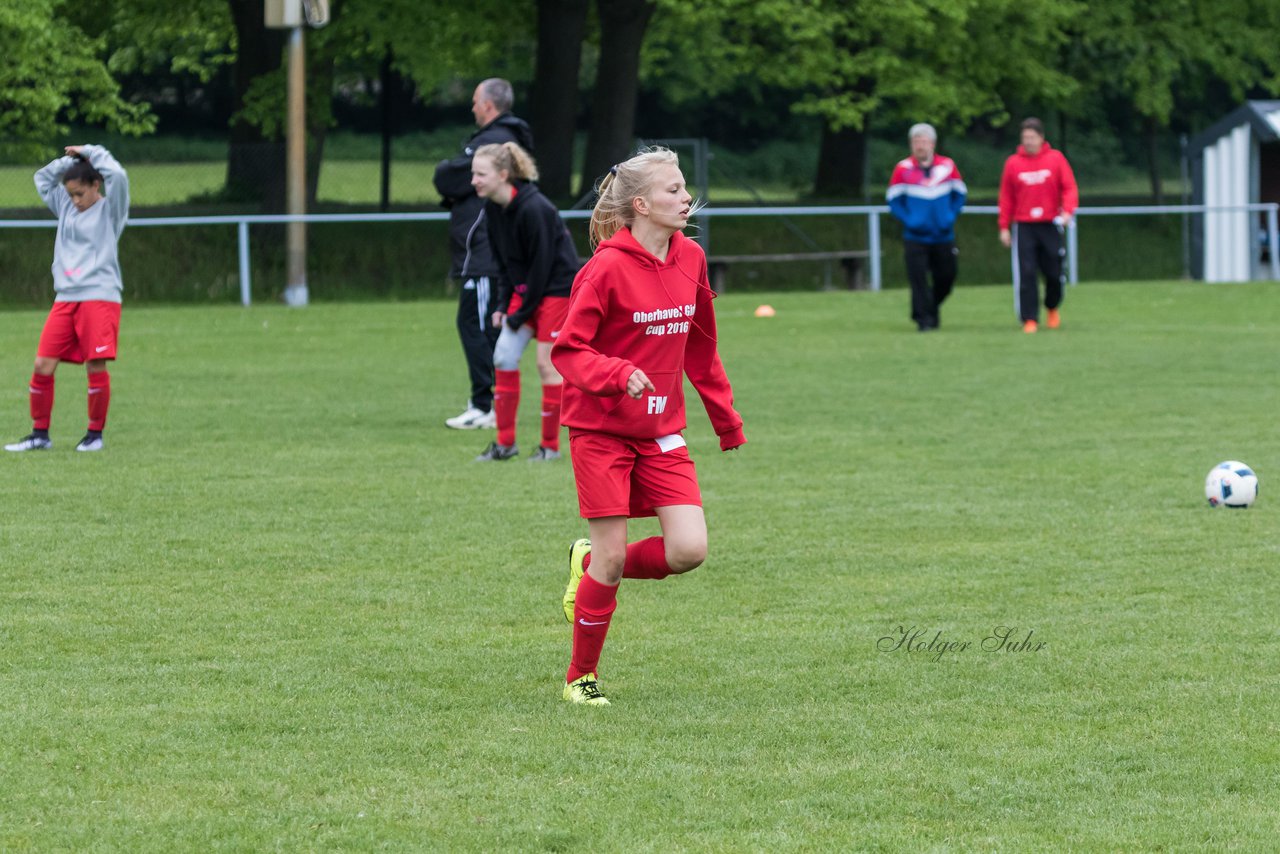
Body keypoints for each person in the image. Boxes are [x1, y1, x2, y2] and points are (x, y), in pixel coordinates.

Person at [551, 148, 746, 706]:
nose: (687, 199)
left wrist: (724, 419)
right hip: (601, 429)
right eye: (674, 191)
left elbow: (701, 345)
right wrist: (616, 374)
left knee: (689, 551)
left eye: (684, 189)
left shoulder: (692, 258)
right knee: (615, 556)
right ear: (640, 204)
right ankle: (580, 679)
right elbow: (568, 350)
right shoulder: (605, 268)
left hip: (662, 430)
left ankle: (587, 566)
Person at [6, 145, 129, 453]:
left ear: (95, 186)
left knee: (95, 365)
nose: (74, 200)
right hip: (65, 297)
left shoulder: (111, 209)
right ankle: (39, 435)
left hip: (99, 296)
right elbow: (42, 178)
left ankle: (94, 435)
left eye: (80, 193)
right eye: (70, 194)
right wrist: (71, 162)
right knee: (42, 364)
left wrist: (91, 151)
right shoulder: (66, 205)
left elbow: (119, 174)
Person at [434, 78, 535, 429]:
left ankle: (487, 404)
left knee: (478, 325)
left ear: (489, 105)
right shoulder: (500, 137)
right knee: (481, 323)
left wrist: (451, 176)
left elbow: (447, 177)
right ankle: (490, 403)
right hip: (485, 253)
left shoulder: (493, 141)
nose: (472, 107)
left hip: (483, 254)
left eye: (476, 101)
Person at [470, 142, 580, 462]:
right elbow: (505, 264)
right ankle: (505, 444)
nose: (473, 180)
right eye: (473, 174)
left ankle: (550, 447)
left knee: (547, 365)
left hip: (557, 289)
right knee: (503, 356)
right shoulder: (492, 208)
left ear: (503, 174)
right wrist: (504, 306)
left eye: (480, 174)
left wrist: (521, 314)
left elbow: (543, 267)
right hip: (528, 291)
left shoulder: (536, 208)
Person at [998, 117, 1078, 333]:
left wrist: (1068, 211)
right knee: (1027, 272)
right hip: (1024, 226)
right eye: (1025, 138)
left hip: (1050, 224)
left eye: (1032, 137)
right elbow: (1006, 197)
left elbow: (1069, 188)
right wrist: (1004, 226)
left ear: (1041, 138)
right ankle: (1030, 318)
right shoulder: (1013, 163)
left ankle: (1052, 307)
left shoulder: (1056, 159)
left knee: (1054, 271)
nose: (1029, 142)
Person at [886, 123, 967, 331]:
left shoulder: (947, 166)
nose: (920, 146)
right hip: (915, 236)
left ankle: (930, 307)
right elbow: (893, 199)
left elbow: (960, 194)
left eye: (923, 141)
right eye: (916, 142)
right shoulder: (903, 169)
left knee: (947, 276)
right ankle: (924, 321)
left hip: (942, 234)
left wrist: (949, 215)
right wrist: (910, 219)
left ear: (932, 143)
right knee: (918, 280)